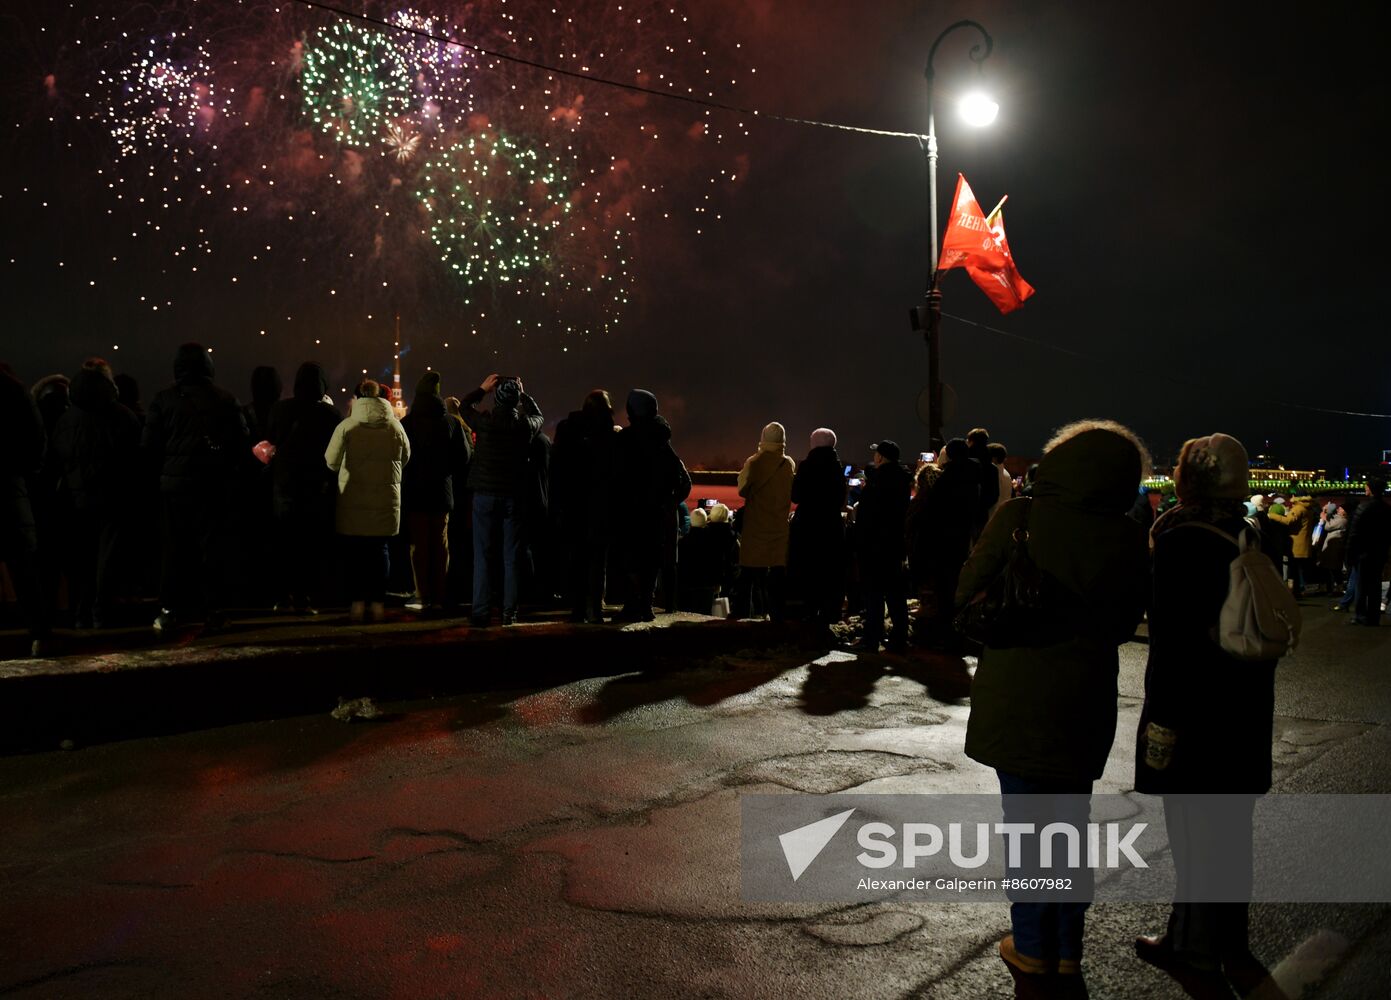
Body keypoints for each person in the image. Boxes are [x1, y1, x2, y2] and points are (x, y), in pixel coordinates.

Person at [956, 419, 1150, 998]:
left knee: (1027, 826)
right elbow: (1124, 623)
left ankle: (1033, 947)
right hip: (1084, 699)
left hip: (1017, 695)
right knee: (1069, 827)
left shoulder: (1021, 519)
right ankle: (1066, 950)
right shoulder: (1126, 535)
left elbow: (969, 598)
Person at [1133, 432, 1282, 999]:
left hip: (1194, 707)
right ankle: (1231, 942)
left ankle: (1192, 949)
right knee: (1231, 831)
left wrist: (1163, 722)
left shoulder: (1178, 535)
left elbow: (1172, 638)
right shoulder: (1250, 531)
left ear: (1188, 478)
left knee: (1194, 832)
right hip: (1244, 704)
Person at [142, 342, 250, 632]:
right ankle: (214, 609)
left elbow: (150, 446)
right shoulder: (225, 399)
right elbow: (241, 443)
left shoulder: (163, 400)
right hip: (214, 484)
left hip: (174, 487)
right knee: (212, 548)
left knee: (174, 548)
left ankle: (170, 608)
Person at [44, 359, 141, 628]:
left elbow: (56, 459)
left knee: (81, 560)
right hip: (114, 497)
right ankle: (102, 611)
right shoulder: (123, 416)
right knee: (108, 559)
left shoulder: (66, 420)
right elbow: (134, 459)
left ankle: (81, 612)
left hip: (76, 498)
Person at [324, 379, 410, 623]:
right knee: (380, 552)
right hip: (385, 501)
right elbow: (404, 458)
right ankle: (378, 603)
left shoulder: (347, 427)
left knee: (356, 556)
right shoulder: (395, 427)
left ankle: (357, 604)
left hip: (352, 500)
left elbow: (331, 461)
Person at [462, 373, 543, 627]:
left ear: (496, 399)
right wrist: (523, 394)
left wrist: (482, 388)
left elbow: (464, 407)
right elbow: (538, 416)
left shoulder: (483, 424)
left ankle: (481, 611)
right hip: (513, 496)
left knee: (482, 555)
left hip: (484, 494)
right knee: (512, 556)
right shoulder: (524, 426)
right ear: (516, 400)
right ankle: (509, 613)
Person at [265, 362, 340, 614]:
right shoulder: (330, 415)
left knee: (284, 543)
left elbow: (270, 440)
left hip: (284, 487)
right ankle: (304, 596)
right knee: (310, 546)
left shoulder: (280, 409)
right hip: (316, 488)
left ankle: (281, 595)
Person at [613, 389, 691, 622]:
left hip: (631, 511)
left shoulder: (625, 440)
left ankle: (632, 605)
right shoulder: (662, 442)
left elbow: (615, 476)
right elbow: (682, 480)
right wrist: (668, 503)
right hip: (656, 513)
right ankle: (646, 605)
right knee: (650, 560)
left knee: (631, 559)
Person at [400, 371, 472, 615]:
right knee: (441, 545)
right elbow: (463, 457)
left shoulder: (407, 423)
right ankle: (440, 595)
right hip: (442, 491)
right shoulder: (450, 422)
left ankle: (422, 594)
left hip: (415, 491)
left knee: (418, 545)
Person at [551, 390, 619, 623]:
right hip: (600, 507)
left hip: (573, 505)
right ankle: (596, 609)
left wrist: (559, 504)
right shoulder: (608, 435)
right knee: (598, 562)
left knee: (577, 559)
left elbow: (557, 469)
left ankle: (578, 608)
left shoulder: (567, 430)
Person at [906, 438, 977, 649]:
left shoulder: (948, 479)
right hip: (961, 539)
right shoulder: (973, 477)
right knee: (951, 585)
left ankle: (941, 633)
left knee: (942, 586)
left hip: (942, 541)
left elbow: (933, 512)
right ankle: (949, 629)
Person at [0, 363, 51, 655]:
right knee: (22, 567)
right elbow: (36, 440)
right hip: (9, 487)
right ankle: (39, 633)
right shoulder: (13, 388)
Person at [852, 440, 913, 652]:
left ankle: (872, 637)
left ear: (882, 457)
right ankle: (899, 636)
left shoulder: (878, 480)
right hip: (895, 542)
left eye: (876, 454)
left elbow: (868, 516)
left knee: (874, 592)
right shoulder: (903, 479)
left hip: (875, 544)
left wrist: (859, 541)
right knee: (896, 592)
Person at [789, 427, 847, 633]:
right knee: (829, 570)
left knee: (808, 568)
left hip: (807, 525)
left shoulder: (806, 466)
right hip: (830, 525)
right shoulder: (837, 467)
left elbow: (795, 496)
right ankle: (828, 613)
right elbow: (841, 500)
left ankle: (809, 611)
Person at [735, 422, 796, 621]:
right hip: (779, 528)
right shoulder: (788, 464)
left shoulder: (754, 462)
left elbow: (742, 489)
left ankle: (742, 614)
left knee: (748, 574)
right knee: (777, 575)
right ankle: (777, 616)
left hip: (756, 527)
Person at [1342, 477, 1391, 626]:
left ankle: (1360, 615)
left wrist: (1349, 555)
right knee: (1375, 585)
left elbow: (1354, 534)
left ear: (1370, 489)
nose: (1365, 489)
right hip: (1379, 552)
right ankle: (1373, 616)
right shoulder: (1387, 508)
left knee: (1361, 585)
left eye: (1366, 487)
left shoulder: (1363, 507)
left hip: (1363, 552)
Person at [1268, 490, 1314, 597]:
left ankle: (1293, 591)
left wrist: (1272, 515)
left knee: (1293, 569)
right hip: (1304, 542)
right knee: (1298, 569)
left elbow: (1288, 521)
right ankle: (1298, 590)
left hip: (1297, 543)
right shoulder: (1307, 507)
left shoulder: (1298, 508)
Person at [966, 426, 999, 538]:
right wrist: (983, 506)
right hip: (982, 514)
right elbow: (995, 494)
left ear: (971, 441)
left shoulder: (964, 462)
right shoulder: (993, 468)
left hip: (962, 513)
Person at [986, 441, 1013, 522]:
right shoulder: (1007, 474)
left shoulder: (991, 474)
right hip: (1002, 518)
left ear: (994, 458)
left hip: (990, 519)